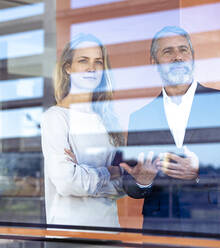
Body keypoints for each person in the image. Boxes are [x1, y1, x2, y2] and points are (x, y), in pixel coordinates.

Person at [124, 26, 220, 236]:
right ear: (154, 62)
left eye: (183, 50)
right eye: (167, 52)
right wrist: (143, 181)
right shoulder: (140, 117)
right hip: (161, 232)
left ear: (193, 57)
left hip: (215, 227)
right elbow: (131, 184)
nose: (177, 57)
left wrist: (200, 171)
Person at [41, 34, 156, 228]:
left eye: (98, 62)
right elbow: (66, 182)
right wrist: (111, 172)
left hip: (108, 231)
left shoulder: (109, 121)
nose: (91, 68)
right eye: (83, 60)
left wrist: (86, 173)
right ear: (68, 68)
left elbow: (122, 185)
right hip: (69, 235)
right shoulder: (56, 117)